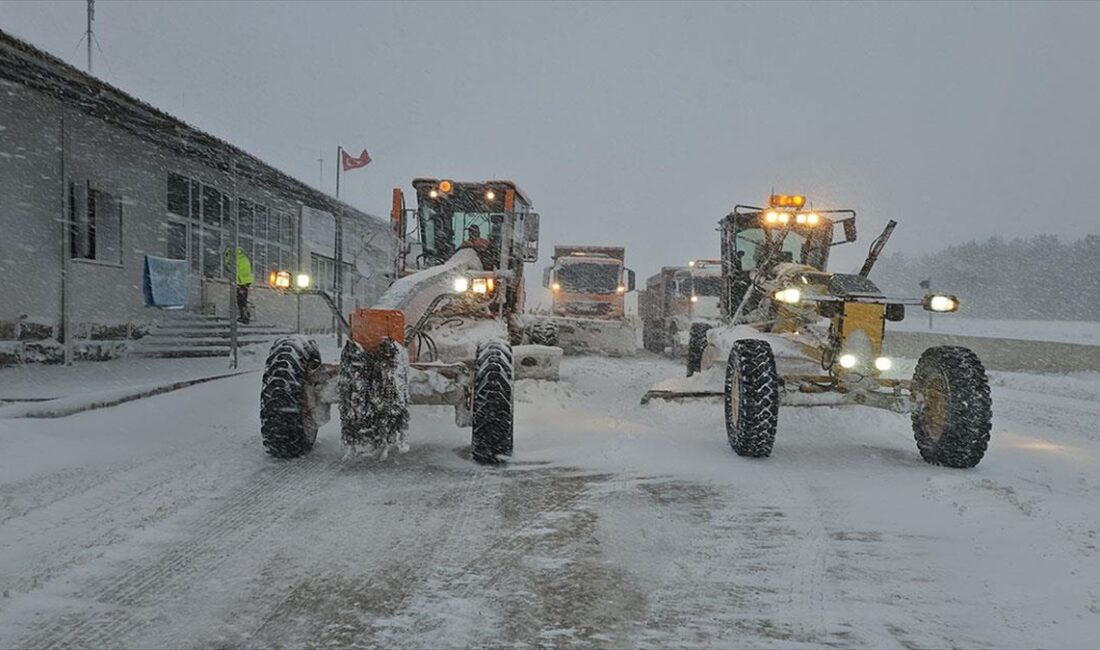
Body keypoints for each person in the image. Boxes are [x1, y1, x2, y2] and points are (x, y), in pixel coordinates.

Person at [224, 246, 254, 324]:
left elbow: (231, 268)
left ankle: (245, 317)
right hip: (246, 282)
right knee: (243, 300)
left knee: (240, 301)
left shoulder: (234, 259)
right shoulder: (243, 257)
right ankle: (245, 315)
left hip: (241, 283)